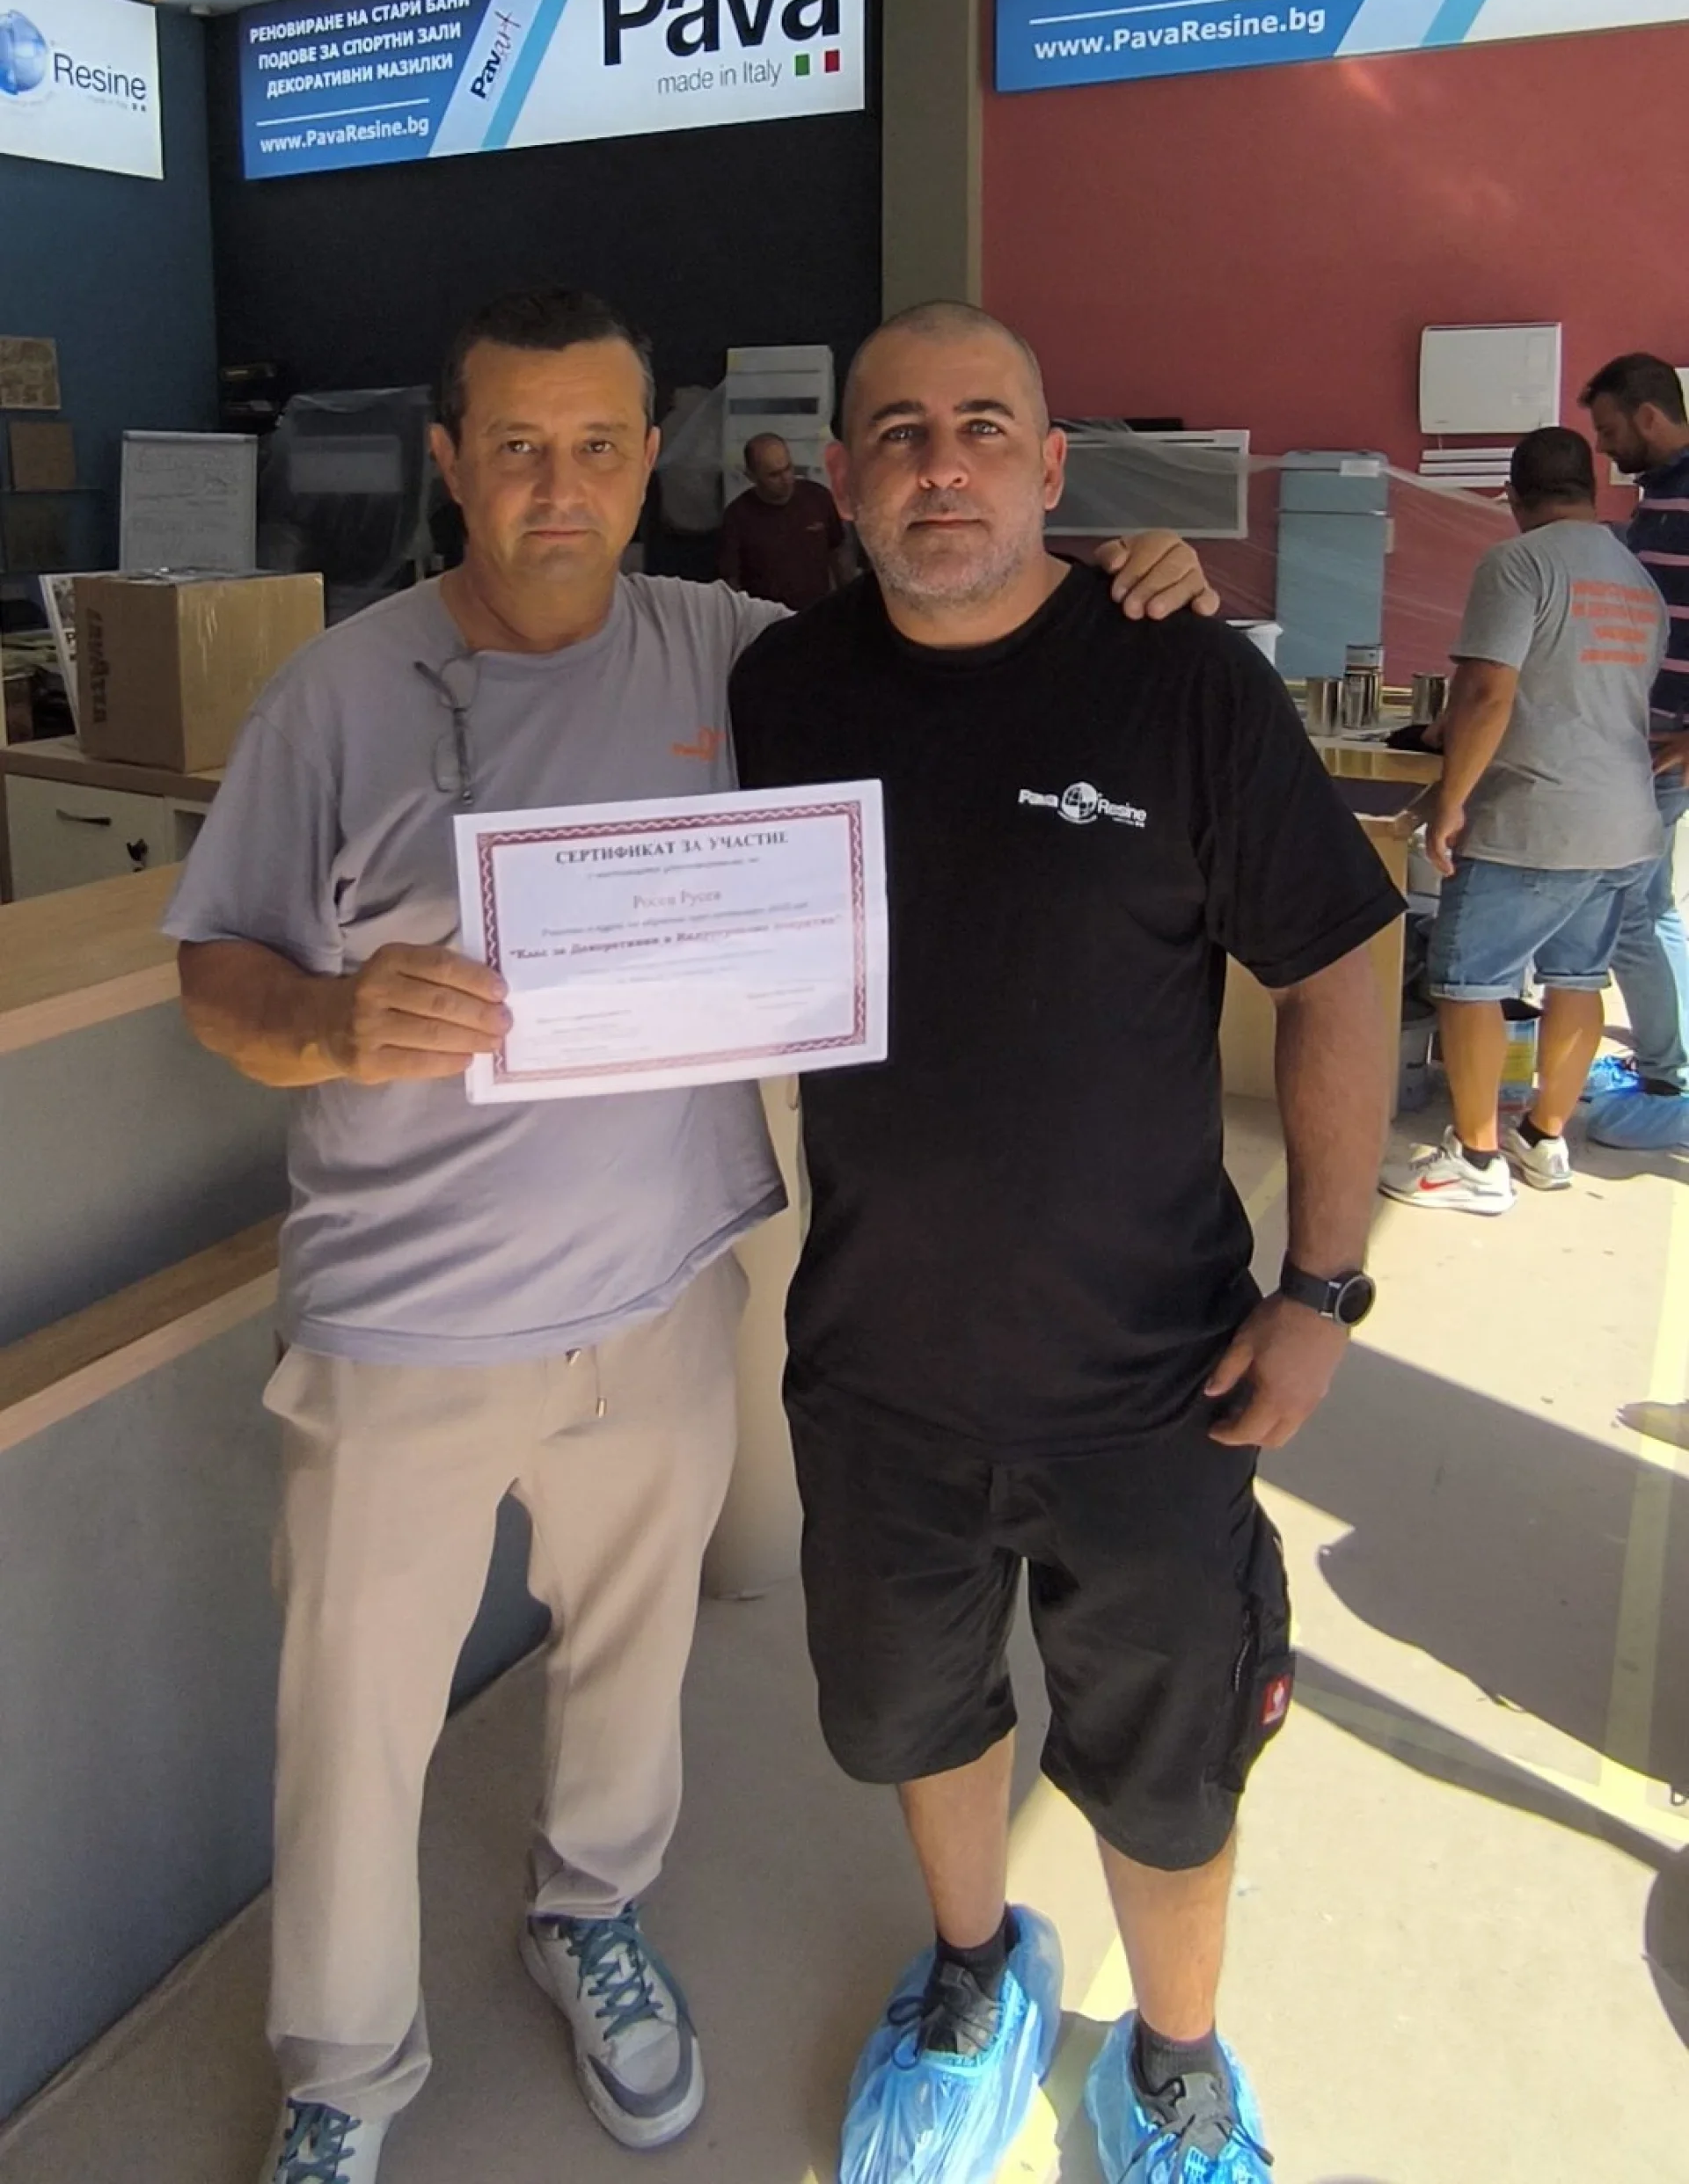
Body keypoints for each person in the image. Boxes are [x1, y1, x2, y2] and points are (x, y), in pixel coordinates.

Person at [165, 285, 1216, 2184]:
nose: (556, 486)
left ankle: (591, 1912)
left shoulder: (738, 655)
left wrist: (1123, 585)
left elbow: (961, 638)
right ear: (451, 461)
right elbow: (215, 971)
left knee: (628, 1671)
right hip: (402, 1320)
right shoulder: (338, 690)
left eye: (596, 445)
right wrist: (328, 1019)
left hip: (656, 1301)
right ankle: (343, 2071)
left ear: (653, 460)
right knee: (353, 1727)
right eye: (515, 447)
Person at [728, 301, 1400, 2184]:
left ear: (1048, 467)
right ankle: (975, 1966)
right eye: (897, 430)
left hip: (1151, 1376)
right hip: (877, 1365)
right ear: (845, 475)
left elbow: (1342, 961)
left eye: (982, 426)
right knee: (913, 1710)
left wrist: (1323, 1287)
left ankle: (1177, 2057)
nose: (939, 463)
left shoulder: (1177, 675)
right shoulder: (783, 689)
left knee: (1170, 1756)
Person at [1384, 427, 1664, 1216]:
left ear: (1513, 493)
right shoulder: (1636, 579)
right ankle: (1543, 1139)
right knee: (1579, 978)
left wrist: (1450, 801)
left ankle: (1476, 1160)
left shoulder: (1518, 563)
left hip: (1535, 818)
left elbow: (1487, 692)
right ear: (1593, 490)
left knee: (1468, 982)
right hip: (1622, 820)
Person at [1579, 354, 1689, 1149]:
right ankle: (1672, 1063)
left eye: (1611, 429)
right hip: (1646, 736)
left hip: (1663, 744)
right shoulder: (1658, 497)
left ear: (1650, 416)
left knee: (1623, 915)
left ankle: (1664, 1079)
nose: (1606, 447)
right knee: (1654, 904)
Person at [718, 430, 850, 610]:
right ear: (752, 476)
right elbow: (731, 582)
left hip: (817, 612)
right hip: (767, 617)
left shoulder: (818, 497)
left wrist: (848, 601)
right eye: (774, 475)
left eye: (788, 468)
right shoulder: (737, 517)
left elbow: (839, 553)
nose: (786, 479)